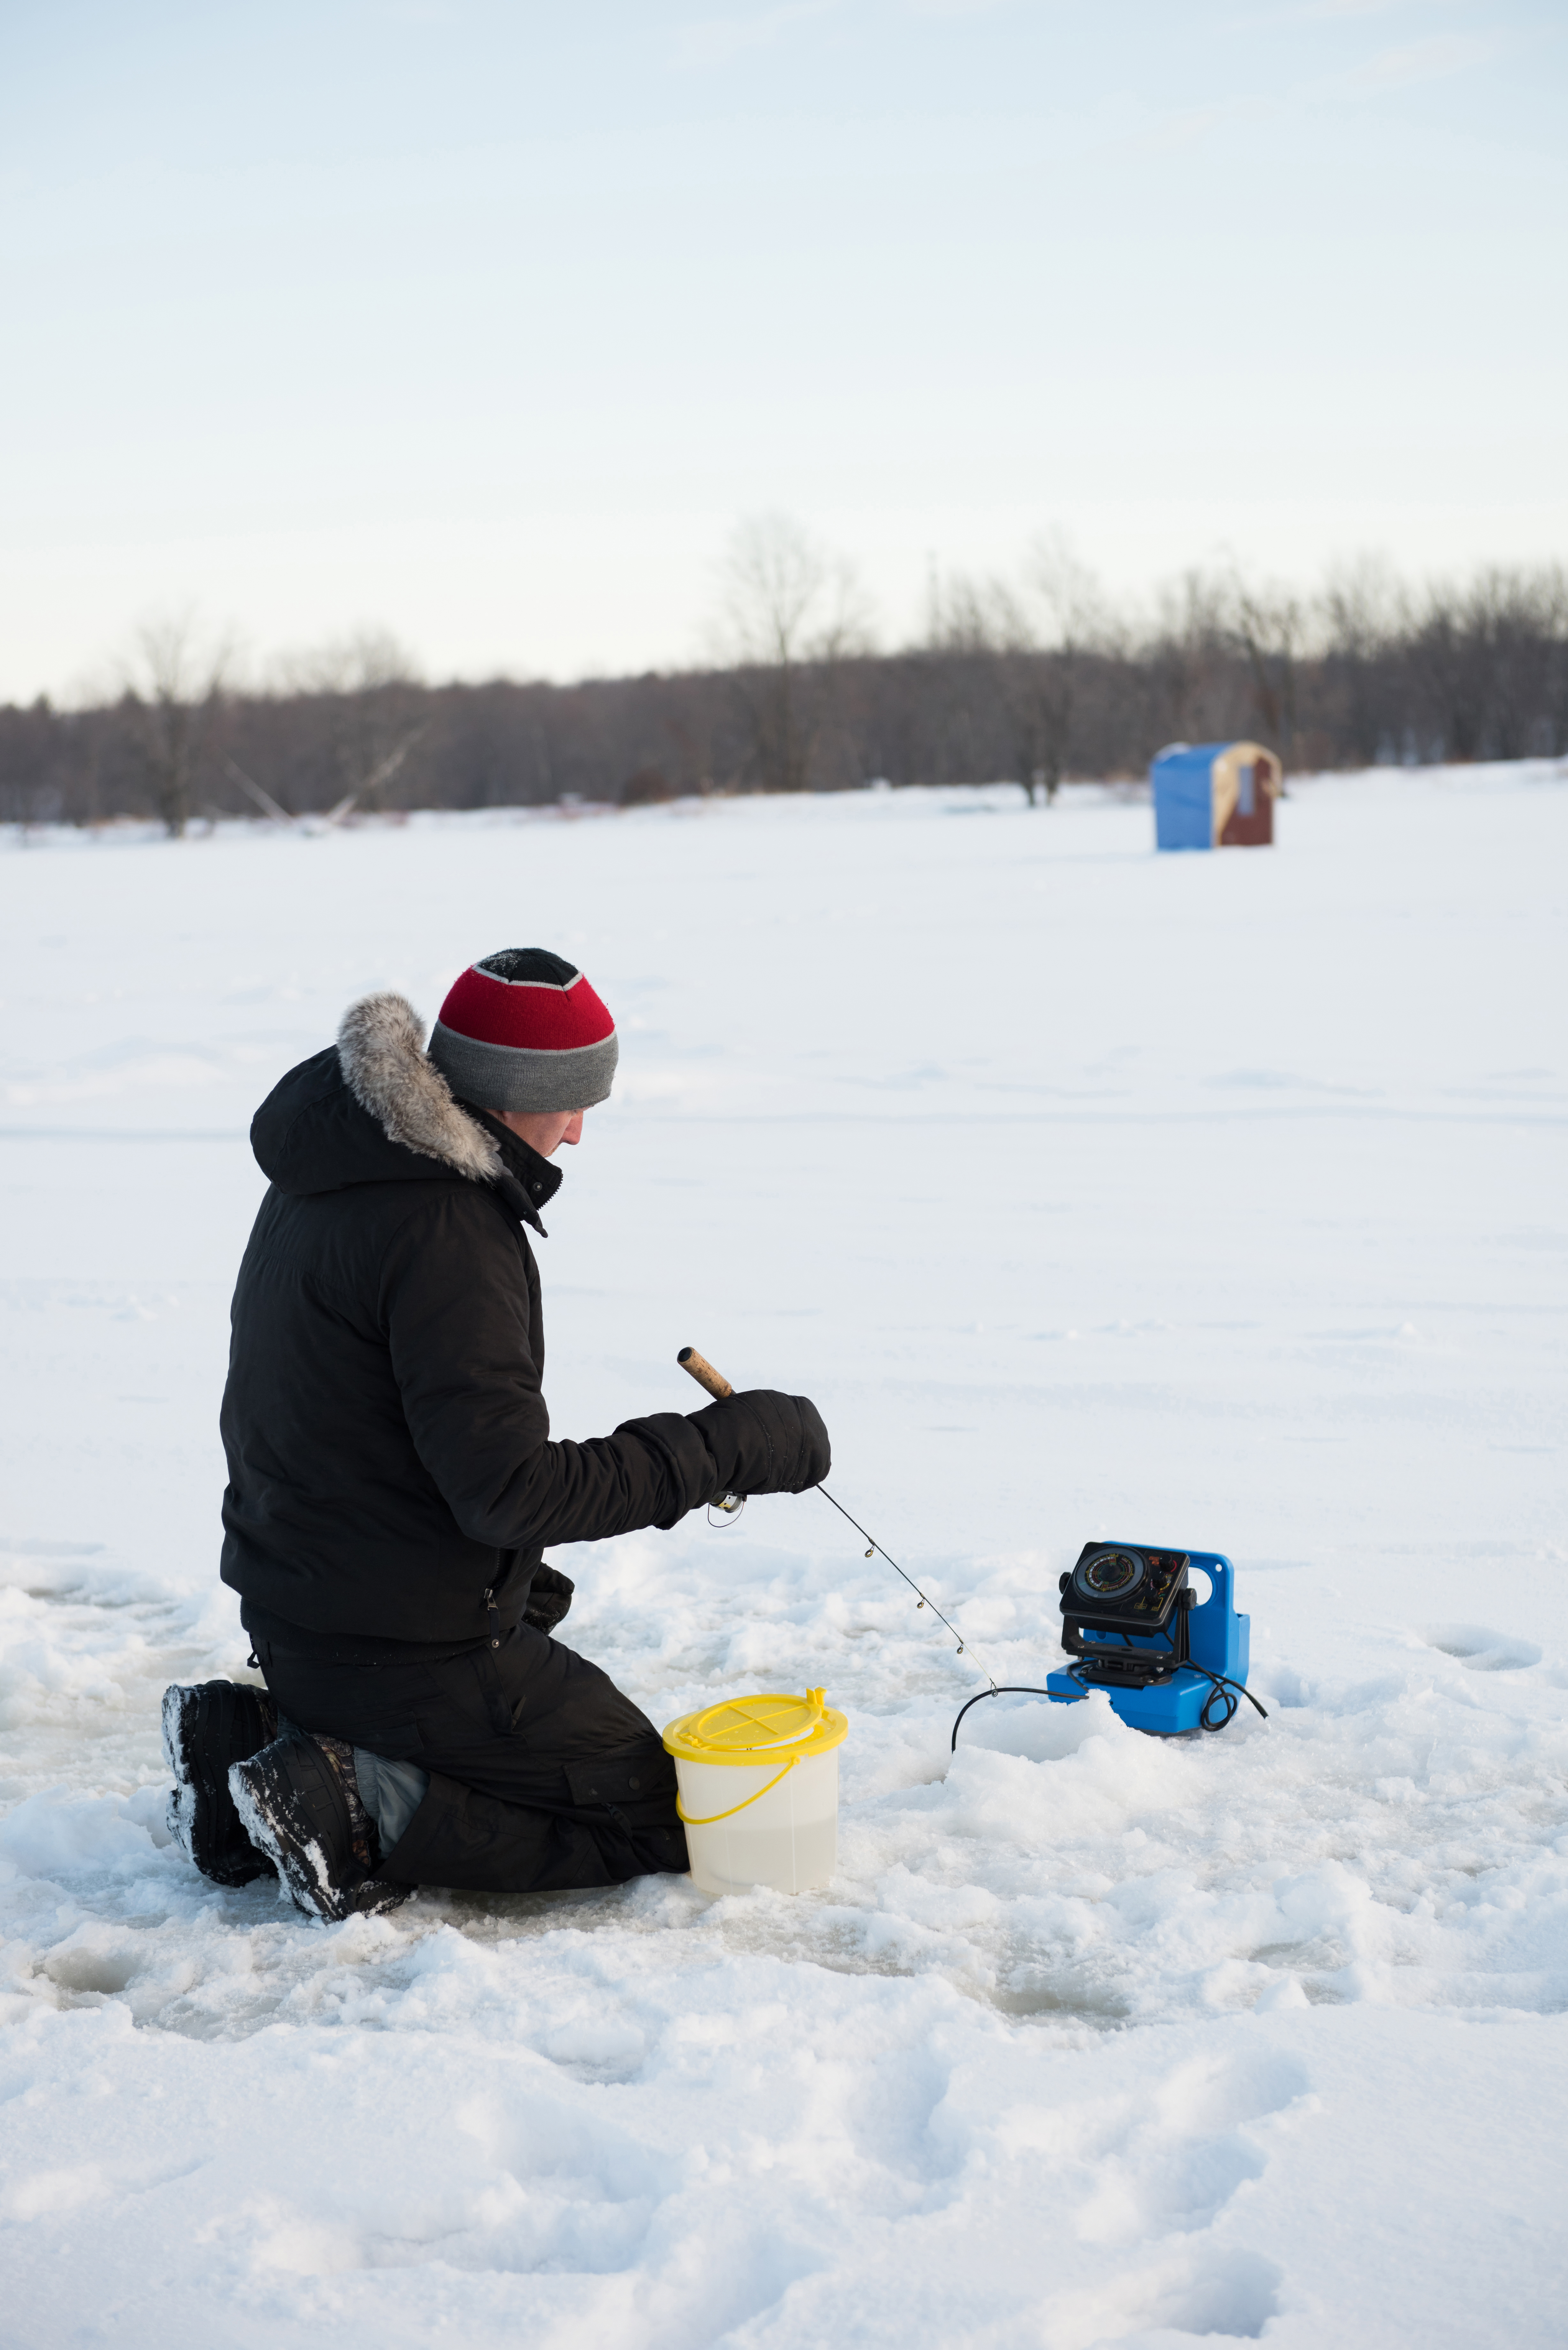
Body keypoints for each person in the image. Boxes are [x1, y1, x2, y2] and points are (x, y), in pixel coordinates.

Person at [162, 947, 829, 1920]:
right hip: (398, 1649)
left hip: (301, 1613)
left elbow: (377, 1438)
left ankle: (258, 1740)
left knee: (531, 1613)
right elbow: (509, 1490)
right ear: (515, 1094)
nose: (580, 1130)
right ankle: (351, 1801)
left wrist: (508, 1574)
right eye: (571, 1103)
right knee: (669, 1815)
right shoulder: (447, 1227)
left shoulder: (341, 1162)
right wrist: (727, 1449)